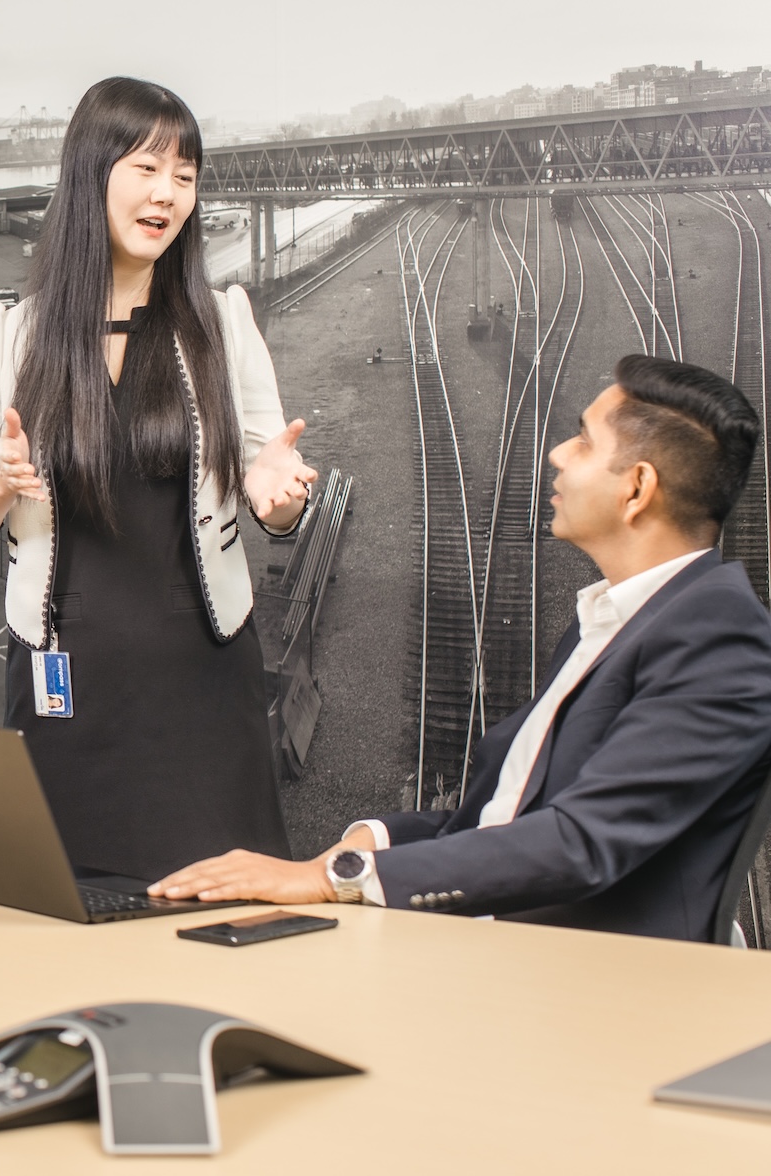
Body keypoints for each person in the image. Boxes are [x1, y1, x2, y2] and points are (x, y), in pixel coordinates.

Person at [151, 356, 771, 942]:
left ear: (637, 488)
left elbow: (581, 843)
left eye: (582, 441)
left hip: (592, 995)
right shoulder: (617, 619)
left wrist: (329, 879)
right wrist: (367, 841)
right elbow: (499, 821)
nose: (557, 453)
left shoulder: (720, 638)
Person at [0, 76, 317, 881]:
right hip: (61, 675)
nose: (167, 194)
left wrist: (278, 497)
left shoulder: (222, 320)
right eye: (147, 168)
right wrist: (4, 482)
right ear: (91, 174)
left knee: (221, 900)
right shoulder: (11, 334)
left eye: (185, 175)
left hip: (204, 672)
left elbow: (270, 490)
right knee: (67, 908)